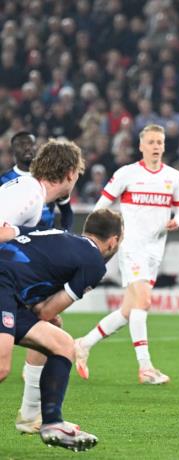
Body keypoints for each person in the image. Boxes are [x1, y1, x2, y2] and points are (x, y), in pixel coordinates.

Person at [0, 208, 123, 451]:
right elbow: (46, 312)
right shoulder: (94, 264)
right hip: (3, 285)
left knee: (63, 344)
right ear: (113, 241)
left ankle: (52, 423)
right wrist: (44, 311)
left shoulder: (53, 233)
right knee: (1, 367)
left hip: (11, 294)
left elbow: (5, 233)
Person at [74, 124, 179, 384]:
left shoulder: (173, 177)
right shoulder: (126, 173)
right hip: (131, 246)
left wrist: (178, 221)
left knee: (128, 310)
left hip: (155, 249)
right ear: (141, 146)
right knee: (144, 301)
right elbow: (101, 207)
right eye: (151, 142)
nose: (156, 146)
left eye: (159, 142)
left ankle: (84, 344)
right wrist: (93, 237)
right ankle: (145, 367)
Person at [0, 138, 84, 434]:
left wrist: (34, 305)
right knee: (1, 366)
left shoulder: (32, 196)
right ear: (70, 173)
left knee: (56, 340)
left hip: (6, 288)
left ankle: (30, 416)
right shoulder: (29, 194)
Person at [0, 131, 74, 230]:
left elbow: (66, 211)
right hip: (17, 237)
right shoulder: (4, 180)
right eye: (21, 144)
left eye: (30, 144)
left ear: (37, 147)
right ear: (13, 151)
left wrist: (66, 233)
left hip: (47, 236)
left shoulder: (52, 176)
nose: (27, 147)